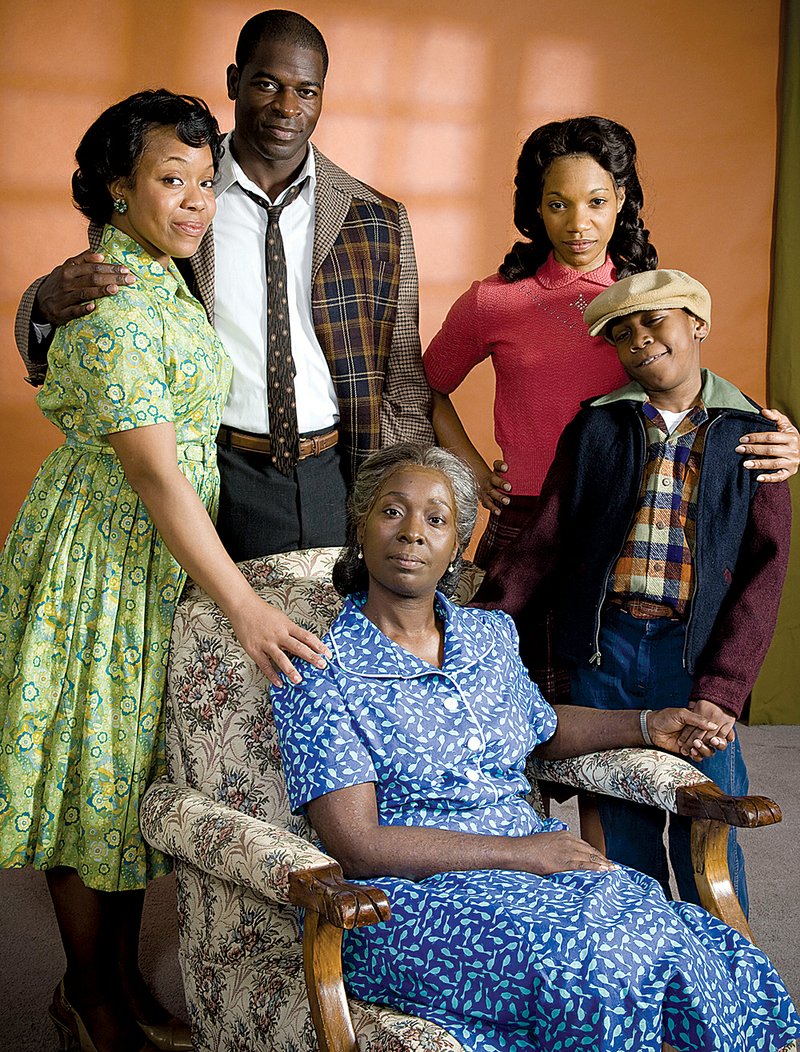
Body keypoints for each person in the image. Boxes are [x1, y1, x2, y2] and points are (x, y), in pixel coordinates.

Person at [271, 442, 800, 1052]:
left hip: (541, 871)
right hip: (414, 896)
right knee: (598, 968)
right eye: (393, 512)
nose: (413, 532)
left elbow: (542, 728)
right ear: (360, 527)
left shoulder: (487, 634)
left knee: (676, 939)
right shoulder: (318, 669)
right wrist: (525, 853)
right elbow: (359, 845)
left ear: (456, 547)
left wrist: (646, 723)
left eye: (437, 520)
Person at [0, 90, 328, 1052]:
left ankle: (109, 984)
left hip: (155, 554)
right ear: (116, 187)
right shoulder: (107, 297)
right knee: (88, 778)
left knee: (136, 769)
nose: (193, 202)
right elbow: (149, 468)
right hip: (104, 558)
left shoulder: (156, 271)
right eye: (168, 180)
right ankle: (88, 999)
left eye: (201, 181)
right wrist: (245, 610)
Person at [13, 9, 434, 564]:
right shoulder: (175, 202)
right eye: (267, 84)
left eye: (307, 91)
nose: (287, 107)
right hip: (215, 472)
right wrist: (42, 306)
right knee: (212, 642)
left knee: (328, 641)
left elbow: (401, 377)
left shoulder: (375, 219)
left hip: (340, 471)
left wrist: (413, 497)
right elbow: (104, 303)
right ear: (235, 81)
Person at [474, 270, 792, 918]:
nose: (640, 340)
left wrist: (723, 689)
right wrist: (478, 628)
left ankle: (720, 965)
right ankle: (646, 960)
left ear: (696, 325)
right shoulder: (597, 428)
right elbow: (544, 544)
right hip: (605, 650)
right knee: (623, 820)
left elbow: (766, 572)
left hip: (694, 658)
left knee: (708, 813)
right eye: (623, 334)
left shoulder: (752, 434)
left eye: (655, 321)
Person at [423, 116, 799, 573]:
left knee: (610, 647)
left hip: (636, 515)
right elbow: (426, 387)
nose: (578, 224)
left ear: (621, 199)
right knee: (503, 644)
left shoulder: (653, 300)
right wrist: (475, 473)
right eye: (558, 204)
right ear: (536, 207)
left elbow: (691, 396)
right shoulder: (493, 301)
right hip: (525, 517)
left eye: (597, 202)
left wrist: (776, 439)